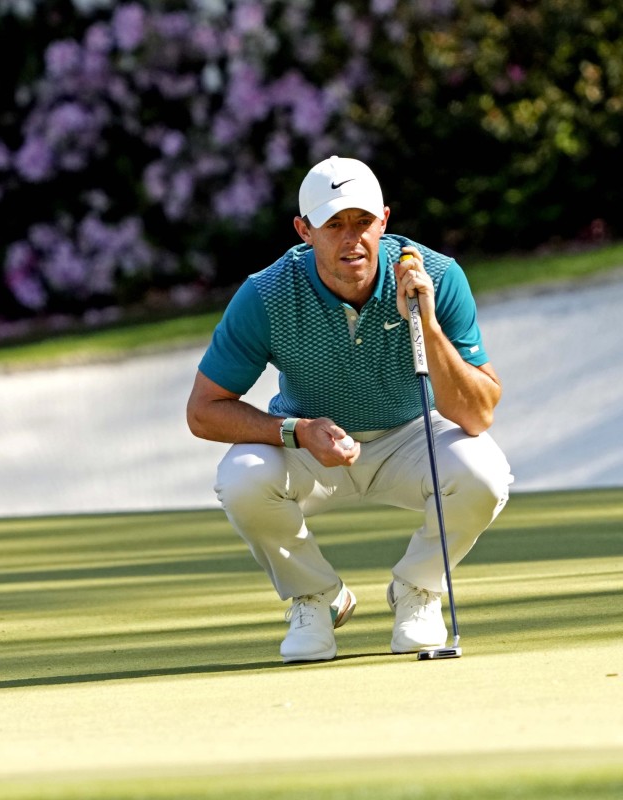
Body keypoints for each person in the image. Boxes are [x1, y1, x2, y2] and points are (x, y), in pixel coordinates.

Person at [185, 155, 513, 663]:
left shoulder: (438, 277)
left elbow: (478, 414)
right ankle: (316, 597)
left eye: (363, 222)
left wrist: (424, 320)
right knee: (242, 476)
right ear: (304, 230)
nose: (351, 238)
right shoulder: (266, 295)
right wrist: (296, 431)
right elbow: (204, 410)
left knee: (485, 471)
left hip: (410, 435)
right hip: (311, 446)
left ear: (384, 220)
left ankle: (417, 590)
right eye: (333, 224)